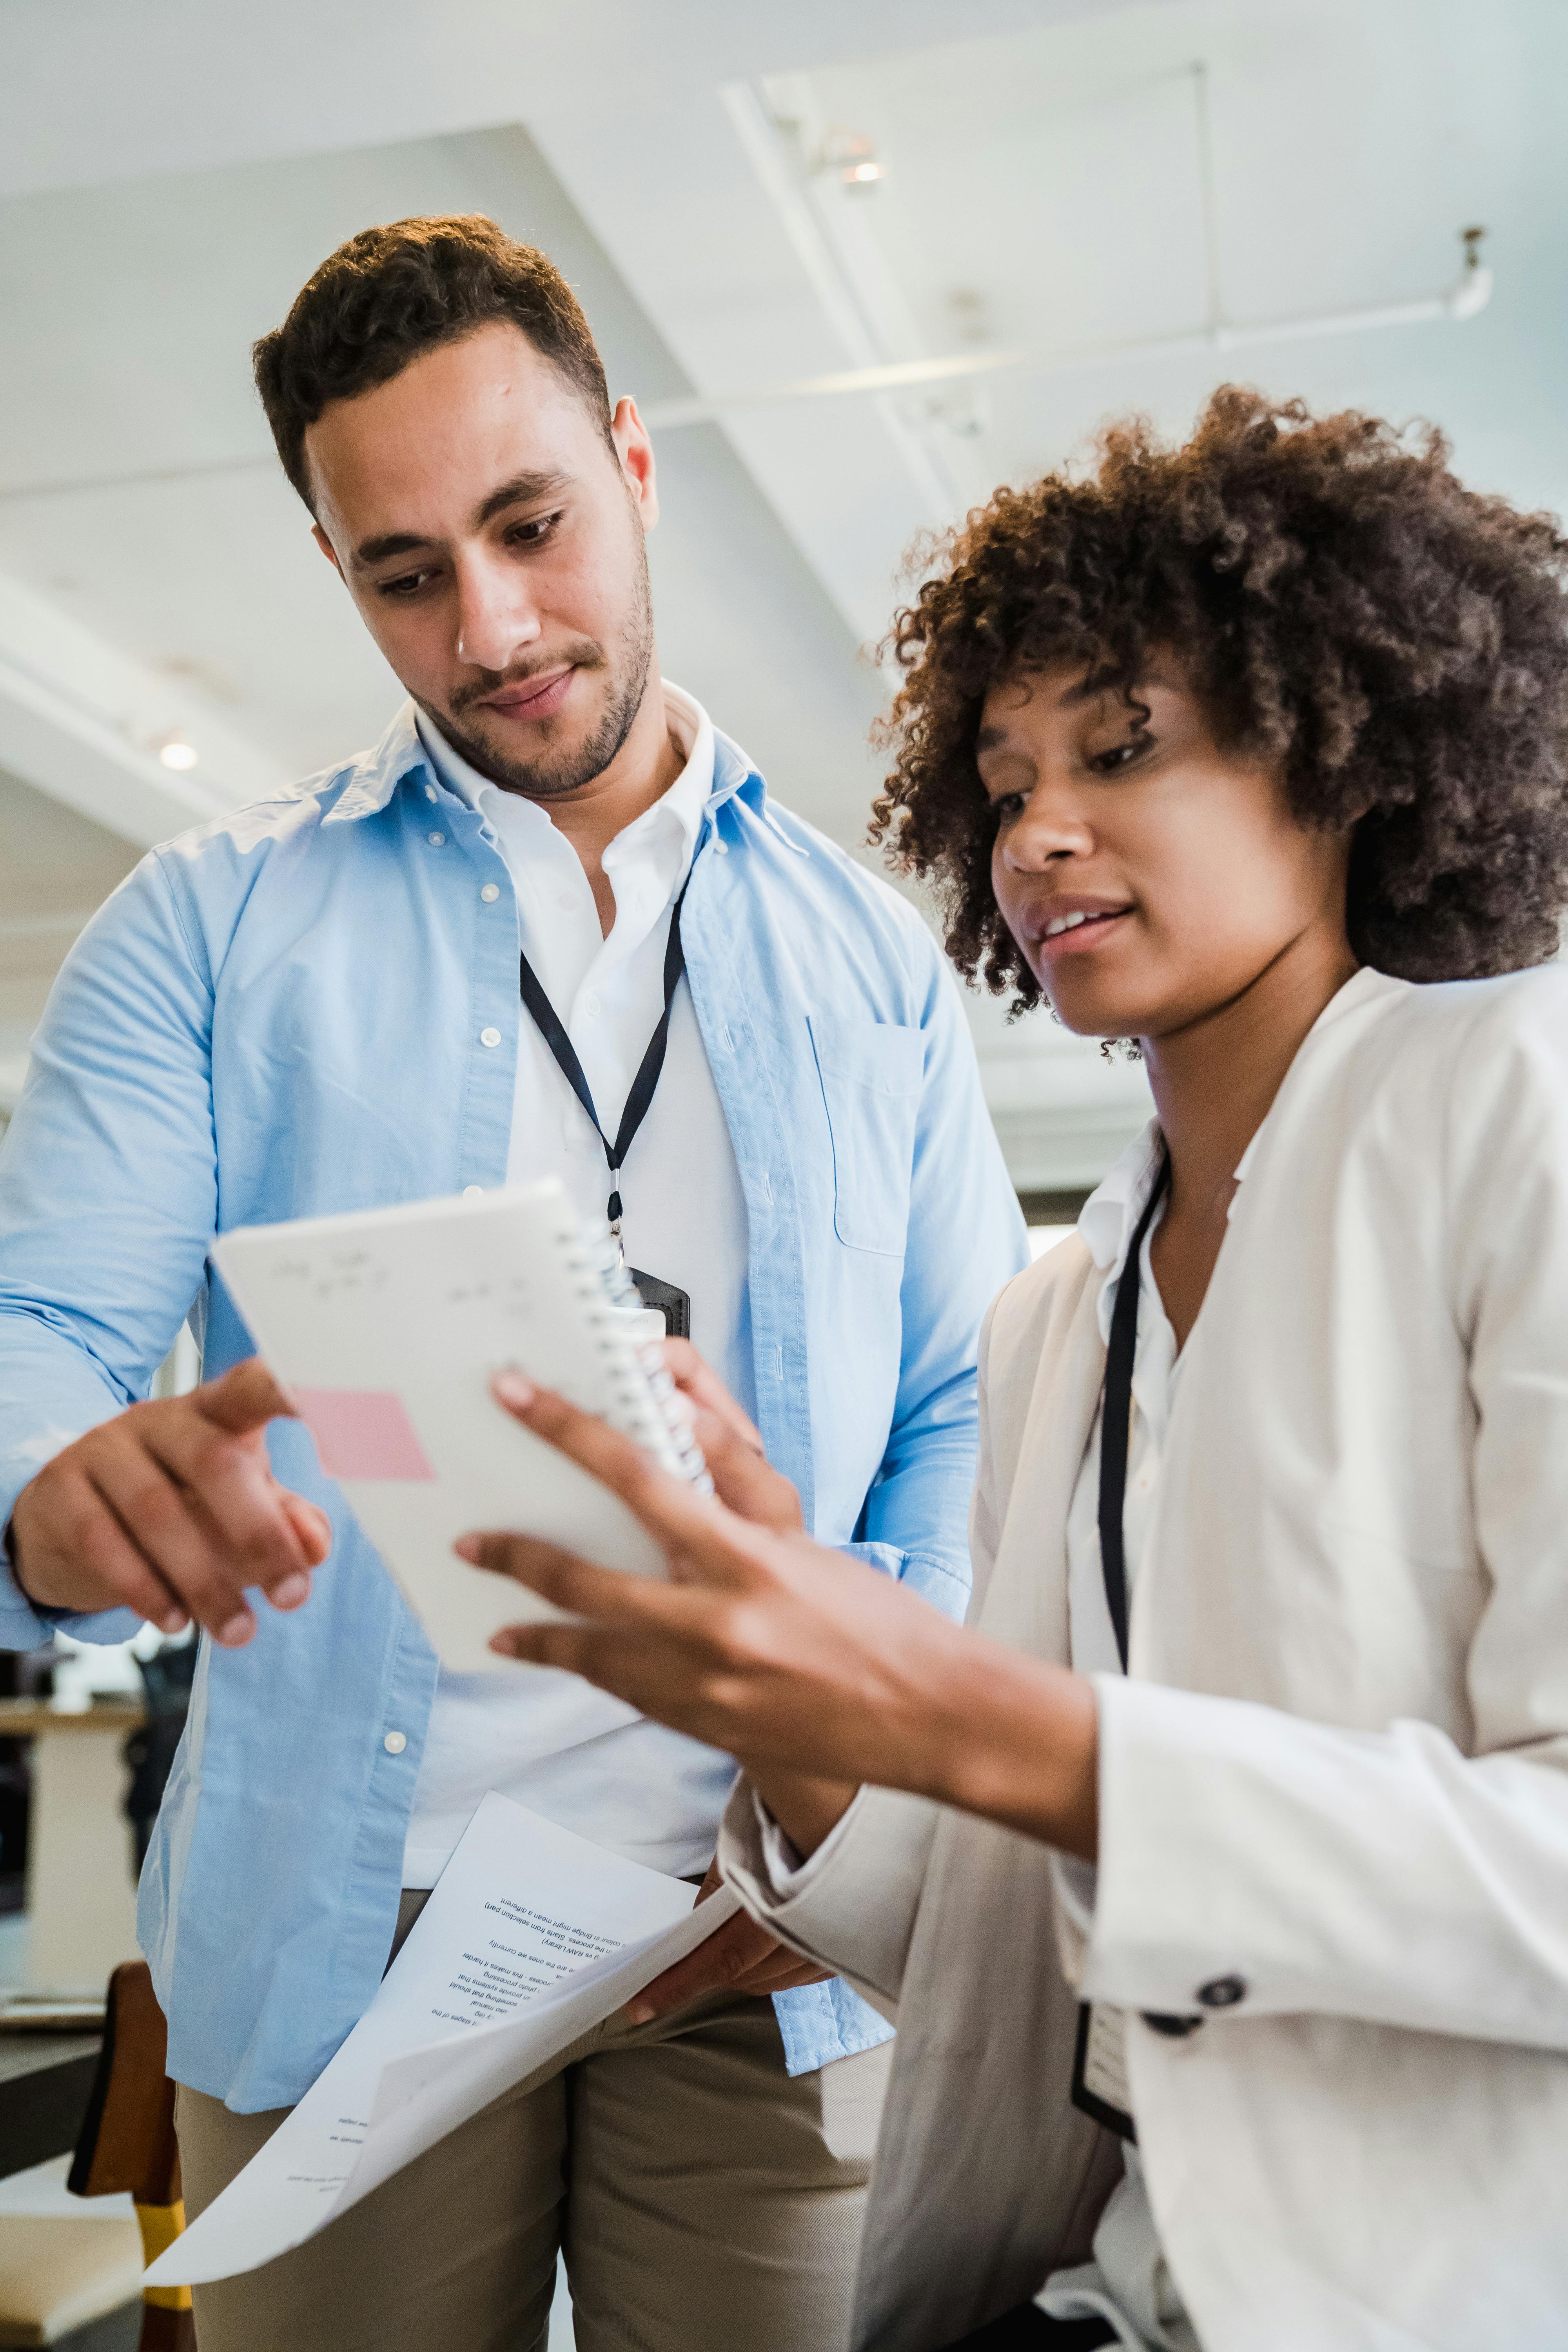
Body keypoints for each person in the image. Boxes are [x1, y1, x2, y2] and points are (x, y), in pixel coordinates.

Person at [0, 215, 1025, 2352]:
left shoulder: (866, 955)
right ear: (335, 569)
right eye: (404, 573)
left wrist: (846, 1772)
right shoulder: (206, 928)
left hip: (766, 1930)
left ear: (635, 466)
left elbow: (959, 1402)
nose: (491, 627)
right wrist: (48, 1497)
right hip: (342, 1934)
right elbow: (46, 1335)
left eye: (532, 525)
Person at [458, 389, 1568, 2352]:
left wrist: (973, 1715)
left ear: (1341, 756)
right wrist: (803, 1704)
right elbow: (1018, 1950)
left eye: (1122, 749)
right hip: (1103, 2283)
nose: (1038, 832)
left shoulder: (1517, 1112)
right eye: (1002, 781)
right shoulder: (1059, 1316)